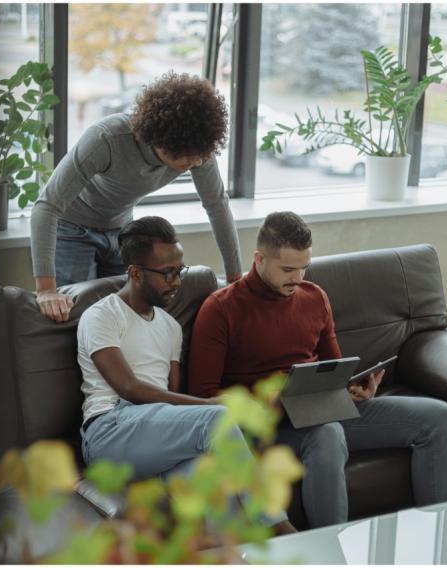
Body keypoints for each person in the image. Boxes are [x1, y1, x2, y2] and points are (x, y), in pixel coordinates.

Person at [188, 211, 447, 529]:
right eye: (288, 269)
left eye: (304, 267)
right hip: (262, 426)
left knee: (439, 418)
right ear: (259, 259)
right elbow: (200, 397)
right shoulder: (221, 309)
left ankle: (436, 539)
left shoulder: (315, 298)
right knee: (327, 433)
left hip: (317, 410)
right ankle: (330, 552)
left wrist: (356, 390)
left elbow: (334, 370)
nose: (298, 278)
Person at [77, 216, 294, 534]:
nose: (176, 281)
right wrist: (210, 407)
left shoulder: (170, 327)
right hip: (109, 431)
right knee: (217, 418)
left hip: (155, 436)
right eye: (167, 274)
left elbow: (172, 401)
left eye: (180, 271)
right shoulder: (101, 316)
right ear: (135, 273)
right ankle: (281, 526)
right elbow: (129, 387)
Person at [31, 71, 242, 323]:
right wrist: (45, 290)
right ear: (159, 138)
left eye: (199, 155)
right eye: (185, 156)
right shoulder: (107, 138)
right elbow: (46, 206)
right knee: (78, 316)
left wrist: (235, 280)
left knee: (128, 317)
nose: (193, 163)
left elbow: (217, 206)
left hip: (121, 231)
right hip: (71, 229)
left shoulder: (196, 150)